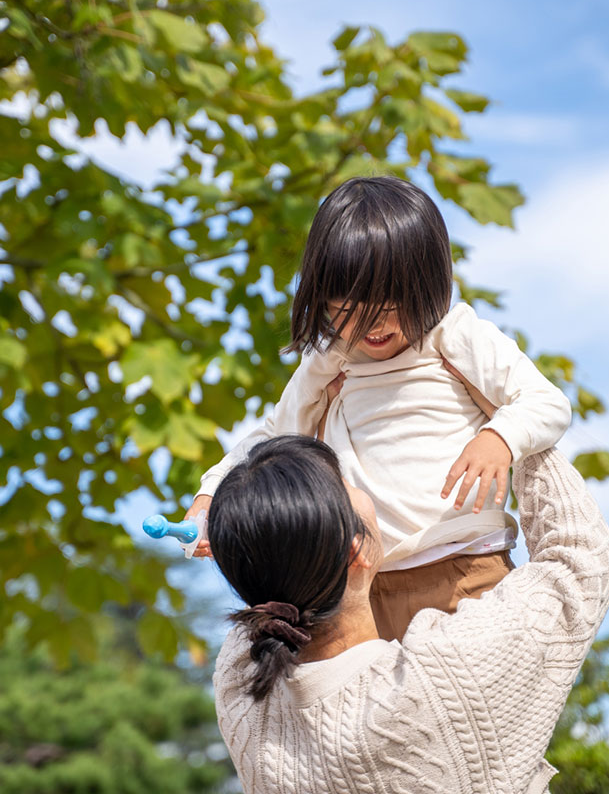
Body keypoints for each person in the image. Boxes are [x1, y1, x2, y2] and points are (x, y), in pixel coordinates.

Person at [187, 175, 573, 640]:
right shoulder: (328, 362)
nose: (373, 325)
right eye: (348, 309)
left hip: (465, 567)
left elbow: (546, 401)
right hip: (363, 584)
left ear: (429, 285)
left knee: (477, 695)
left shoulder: (455, 338)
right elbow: (272, 439)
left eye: (391, 304)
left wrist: (500, 437)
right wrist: (212, 494)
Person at [207, 433, 609, 794]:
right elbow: (582, 561)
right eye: (349, 483)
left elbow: (265, 571)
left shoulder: (239, 694)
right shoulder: (444, 677)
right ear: (355, 547)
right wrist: (514, 425)